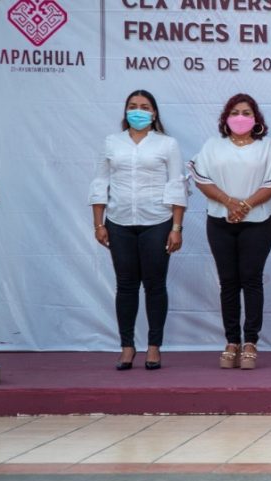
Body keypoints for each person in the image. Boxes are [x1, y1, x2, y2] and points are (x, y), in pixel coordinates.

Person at [188, 93, 271, 370]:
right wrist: (229, 202)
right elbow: (200, 179)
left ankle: (251, 342)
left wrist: (245, 205)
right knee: (229, 282)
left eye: (246, 112)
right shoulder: (213, 146)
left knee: (251, 279)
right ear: (226, 117)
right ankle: (231, 341)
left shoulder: (266, 147)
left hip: (259, 222)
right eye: (235, 112)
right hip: (220, 222)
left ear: (256, 118)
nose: (240, 117)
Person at [89, 89, 187, 370]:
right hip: (118, 222)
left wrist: (176, 227)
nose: (138, 110)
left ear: (154, 113)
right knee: (126, 286)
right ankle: (127, 346)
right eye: (132, 106)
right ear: (125, 111)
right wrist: (99, 223)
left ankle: (154, 346)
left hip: (157, 222)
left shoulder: (167, 144)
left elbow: (176, 185)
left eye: (144, 106)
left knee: (155, 285)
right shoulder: (112, 143)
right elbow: (100, 184)